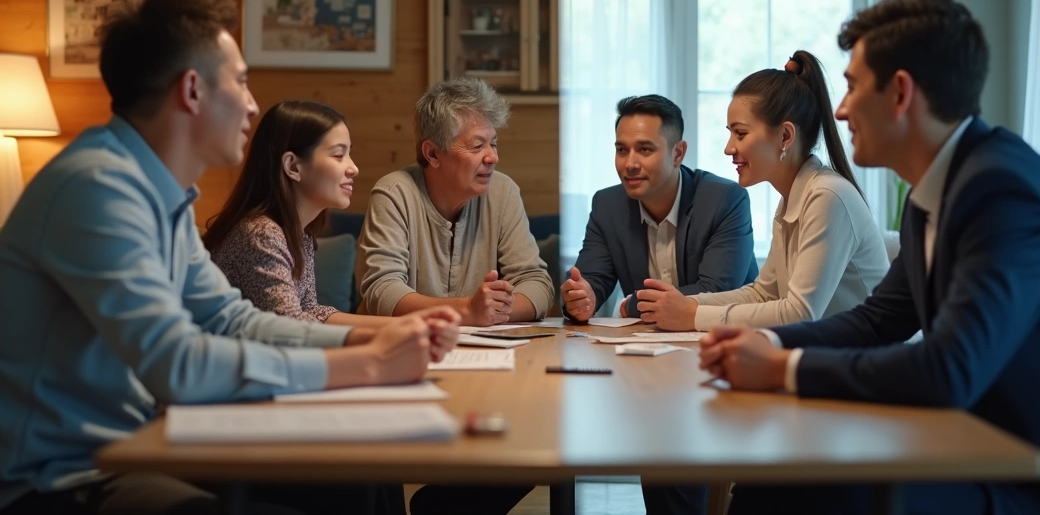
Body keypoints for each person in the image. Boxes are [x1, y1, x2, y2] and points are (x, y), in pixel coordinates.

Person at [0, 0, 453, 515]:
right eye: (240, 81)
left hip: (127, 451)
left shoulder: (162, 194)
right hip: (50, 483)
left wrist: (362, 339)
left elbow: (231, 318)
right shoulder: (97, 190)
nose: (252, 103)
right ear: (192, 90)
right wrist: (365, 365)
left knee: (361, 483)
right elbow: (176, 363)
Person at [699, 0, 1040, 514]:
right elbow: (877, 321)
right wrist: (761, 339)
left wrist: (781, 368)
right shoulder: (935, 192)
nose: (839, 108)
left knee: (802, 488)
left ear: (900, 93)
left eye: (853, 86)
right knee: (779, 482)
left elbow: (949, 369)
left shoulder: (1004, 192)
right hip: (999, 442)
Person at [635, 52, 889, 333]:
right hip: (835, 358)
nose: (729, 148)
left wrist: (692, 316)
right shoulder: (793, 198)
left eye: (740, 134)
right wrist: (684, 304)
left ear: (785, 136)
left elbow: (799, 312)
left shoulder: (827, 196)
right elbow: (763, 294)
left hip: (875, 367)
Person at [203, 100, 460, 355]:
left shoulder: (299, 234)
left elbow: (311, 311)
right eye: (339, 155)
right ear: (292, 166)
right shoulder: (260, 234)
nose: (353, 168)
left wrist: (414, 323)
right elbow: (292, 329)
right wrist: (399, 333)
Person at [357, 77, 553, 327]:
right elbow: (382, 291)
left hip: (483, 350)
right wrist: (467, 311)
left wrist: (490, 311)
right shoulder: (394, 194)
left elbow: (537, 284)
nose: (493, 157)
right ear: (433, 153)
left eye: (493, 143)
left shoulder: (503, 192)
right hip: (398, 348)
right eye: (477, 146)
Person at [561, 95, 757, 332]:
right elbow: (592, 281)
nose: (630, 163)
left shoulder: (724, 200)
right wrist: (581, 298)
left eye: (644, 149)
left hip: (724, 341)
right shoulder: (607, 205)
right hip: (646, 348)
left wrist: (631, 305)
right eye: (622, 150)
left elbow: (717, 291)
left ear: (678, 153)